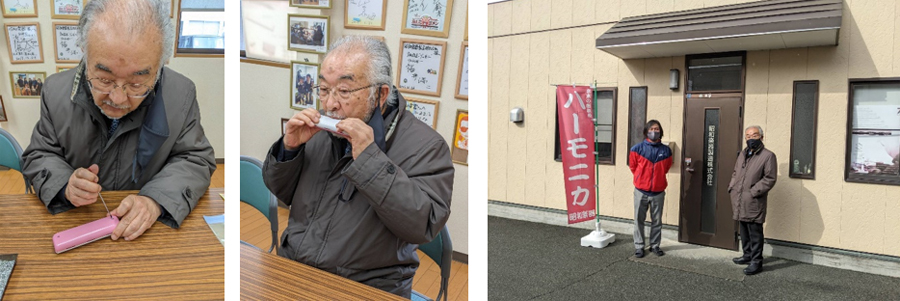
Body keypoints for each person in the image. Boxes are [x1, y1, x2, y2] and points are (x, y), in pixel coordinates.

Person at [262, 36, 454, 298]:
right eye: (324, 89)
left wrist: (370, 160)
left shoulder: (428, 146)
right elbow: (282, 191)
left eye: (344, 91)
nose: (330, 104)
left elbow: (423, 225)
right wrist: (289, 149)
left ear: (381, 94)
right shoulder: (319, 131)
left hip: (366, 288)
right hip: (295, 269)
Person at [21, 0, 216, 241]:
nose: (117, 98)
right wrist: (65, 185)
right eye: (104, 79)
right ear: (84, 51)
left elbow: (195, 159)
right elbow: (40, 154)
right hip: (76, 223)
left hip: (148, 234)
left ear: (160, 65)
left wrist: (156, 200)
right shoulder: (55, 91)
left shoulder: (181, 94)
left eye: (136, 84)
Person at [728, 125, 777, 275]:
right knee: (743, 230)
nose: (751, 138)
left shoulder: (768, 156)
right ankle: (747, 255)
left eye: (754, 135)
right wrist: (732, 187)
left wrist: (753, 192)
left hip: (754, 200)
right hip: (739, 198)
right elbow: (736, 172)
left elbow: (770, 178)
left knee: (755, 232)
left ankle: (756, 261)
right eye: (748, 136)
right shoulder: (743, 153)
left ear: (761, 137)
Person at [628, 120, 673, 258]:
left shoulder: (666, 151)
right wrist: (642, 179)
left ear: (660, 131)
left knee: (657, 221)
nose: (654, 131)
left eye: (657, 129)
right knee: (638, 219)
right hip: (641, 191)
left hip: (658, 192)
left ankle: (655, 245)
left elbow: (666, 168)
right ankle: (639, 246)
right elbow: (633, 167)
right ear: (647, 131)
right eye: (652, 128)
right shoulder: (637, 149)